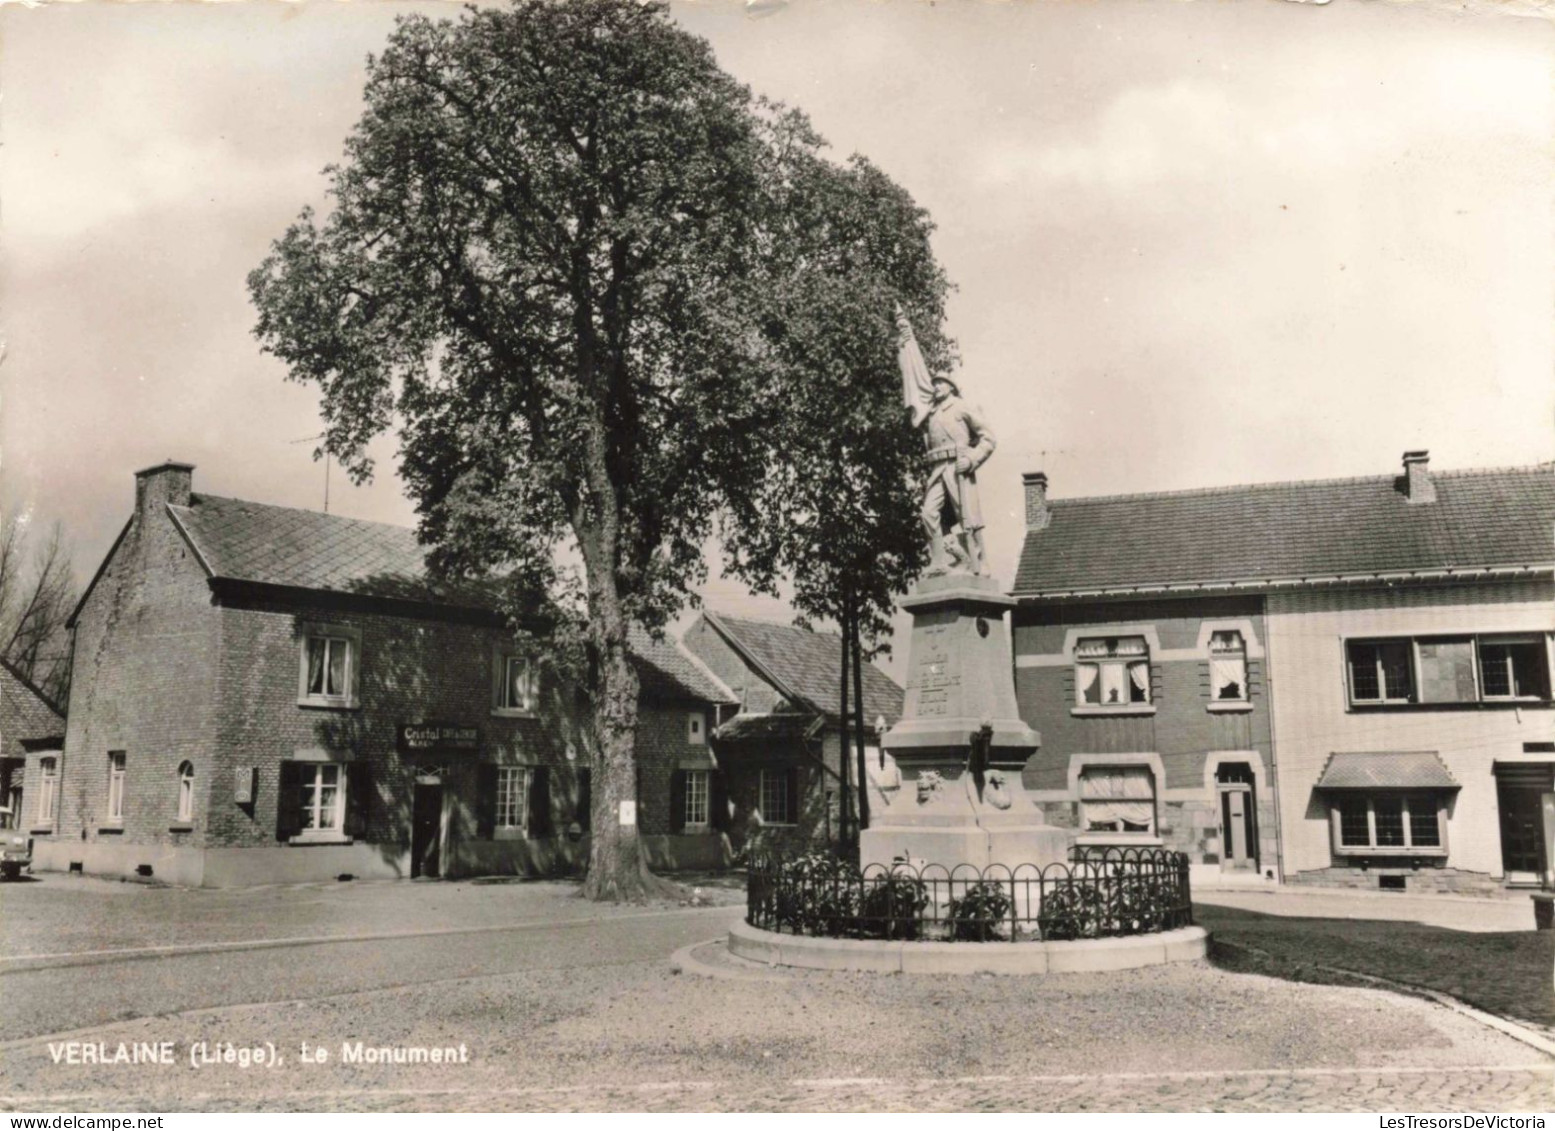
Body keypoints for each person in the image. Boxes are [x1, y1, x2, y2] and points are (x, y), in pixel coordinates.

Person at [920, 372, 996, 574]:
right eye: (934, 383)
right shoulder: (931, 413)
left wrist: (972, 459)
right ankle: (939, 560)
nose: (936, 387)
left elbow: (988, 438)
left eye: (940, 383)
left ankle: (980, 561)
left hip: (958, 468)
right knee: (928, 512)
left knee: (969, 518)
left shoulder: (962, 406)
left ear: (951, 387)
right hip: (938, 469)